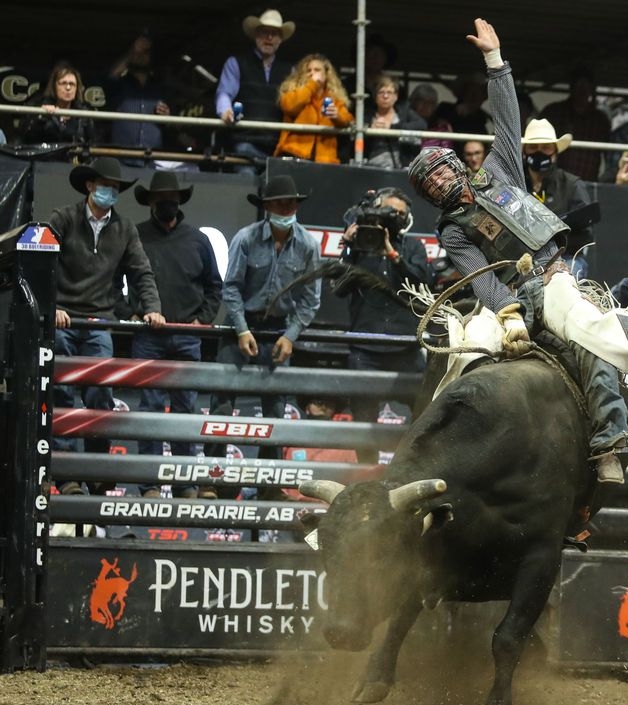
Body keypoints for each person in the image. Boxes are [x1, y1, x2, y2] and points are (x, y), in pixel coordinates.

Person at [407, 18, 628, 484]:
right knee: (459, 358)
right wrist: (507, 312)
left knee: (592, 337)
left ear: (455, 164)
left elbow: (508, 118)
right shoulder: (451, 231)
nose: (438, 181)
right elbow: (480, 277)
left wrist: (495, 62)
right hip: (507, 300)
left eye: (439, 171)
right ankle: (425, 455)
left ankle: (608, 443)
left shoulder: (501, 167)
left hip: (554, 277)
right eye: (429, 183)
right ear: (429, 195)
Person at [48, 157, 165, 496]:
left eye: (115, 188)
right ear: (89, 186)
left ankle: (98, 469)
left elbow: (141, 272)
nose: (110, 192)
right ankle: (66, 473)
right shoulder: (63, 218)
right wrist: (51, 305)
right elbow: (41, 260)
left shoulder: (125, 229)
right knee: (64, 395)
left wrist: (152, 309)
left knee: (101, 393)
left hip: (99, 320)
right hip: (63, 318)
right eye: (105, 186)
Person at [206, 175, 322, 500]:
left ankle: (268, 485)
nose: (288, 208)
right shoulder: (245, 239)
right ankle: (214, 481)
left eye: (292, 203)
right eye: (282, 203)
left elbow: (311, 299)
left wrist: (291, 335)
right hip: (239, 328)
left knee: (275, 411)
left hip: (278, 330)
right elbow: (231, 287)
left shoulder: (309, 245)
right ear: (268, 207)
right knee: (221, 405)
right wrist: (242, 329)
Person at [126, 171, 222, 499]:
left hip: (186, 334)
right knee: (149, 409)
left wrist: (203, 321)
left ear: (180, 200)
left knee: (186, 409)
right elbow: (116, 280)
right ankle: (150, 484)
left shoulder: (198, 240)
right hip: (148, 334)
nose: (166, 203)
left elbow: (214, 286)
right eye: (160, 198)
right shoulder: (136, 236)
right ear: (150, 201)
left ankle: (184, 483)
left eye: (172, 198)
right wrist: (132, 313)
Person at [336, 187, 433, 461]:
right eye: (391, 211)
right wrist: (348, 249)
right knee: (363, 421)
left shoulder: (413, 246)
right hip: (365, 349)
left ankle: (412, 467)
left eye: (401, 214)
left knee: (425, 412)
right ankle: (367, 476)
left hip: (405, 347)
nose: (395, 217)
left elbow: (423, 285)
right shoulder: (359, 246)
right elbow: (339, 289)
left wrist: (391, 252)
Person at [215, 8, 295, 172]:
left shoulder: (290, 71)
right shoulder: (236, 63)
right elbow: (224, 93)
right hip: (245, 142)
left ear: (280, 40)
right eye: (265, 32)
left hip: (278, 147)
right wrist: (225, 111)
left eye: (275, 34)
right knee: (247, 185)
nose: (269, 38)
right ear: (255, 36)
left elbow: (295, 104)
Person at [521, 117, 594, 279]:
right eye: (533, 147)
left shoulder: (572, 185)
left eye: (546, 147)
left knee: (565, 279)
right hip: (522, 261)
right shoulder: (515, 185)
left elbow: (586, 234)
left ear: (555, 152)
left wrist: (556, 241)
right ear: (524, 152)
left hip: (565, 258)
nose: (539, 152)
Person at [274, 53, 354, 164]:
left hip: (324, 160)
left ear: (326, 75)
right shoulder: (293, 92)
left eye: (317, 70)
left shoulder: (334, 99)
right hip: (295, 154)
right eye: (308, 70)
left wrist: (337, 116)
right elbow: (289, 106)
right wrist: (312, 85)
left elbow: (348, 120)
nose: (312, 73)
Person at [106, 33, 172, 165]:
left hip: (153, 161)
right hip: (121, 159)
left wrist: (167, 116)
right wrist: (133, 51)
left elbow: (175, 124)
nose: (141, 56)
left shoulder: (160, 87)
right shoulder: (119, 83)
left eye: (145, 52)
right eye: (138, 53)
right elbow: (111, 76)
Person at [539, 67, 610, 181]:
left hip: (588, 182)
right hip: (554, 181)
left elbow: (608, 154)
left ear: (591, 89)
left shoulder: (600, 119)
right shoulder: (553, 112)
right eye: (578, 86)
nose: (582, 91)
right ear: (571, 87)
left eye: (586, 86)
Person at [20, 63, 95, 151]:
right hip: (45, 159)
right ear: (54, 86)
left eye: (72, 84)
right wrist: (42, 118)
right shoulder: (40, 108)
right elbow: (27, 139)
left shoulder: (83, 114)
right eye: (63, 83)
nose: (68, 88)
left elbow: (91, 143)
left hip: (73, 161)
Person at [364, 75, 425, 169]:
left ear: (396, 96)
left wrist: (392, 127)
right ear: (375, 96)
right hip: (371, 168)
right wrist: (370, 128)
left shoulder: (404, 112)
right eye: (381, 92)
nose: (385, 96)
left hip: (400, 169)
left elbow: (421, 125)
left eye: (389, 92)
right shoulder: (367, 115)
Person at [407, 83, 453, 148]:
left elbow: (446, 152)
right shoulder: (405, 122)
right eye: (421, 101)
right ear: (413, 102)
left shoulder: (441, 127)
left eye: (429, 103)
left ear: (434, 106)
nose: (425, 106)